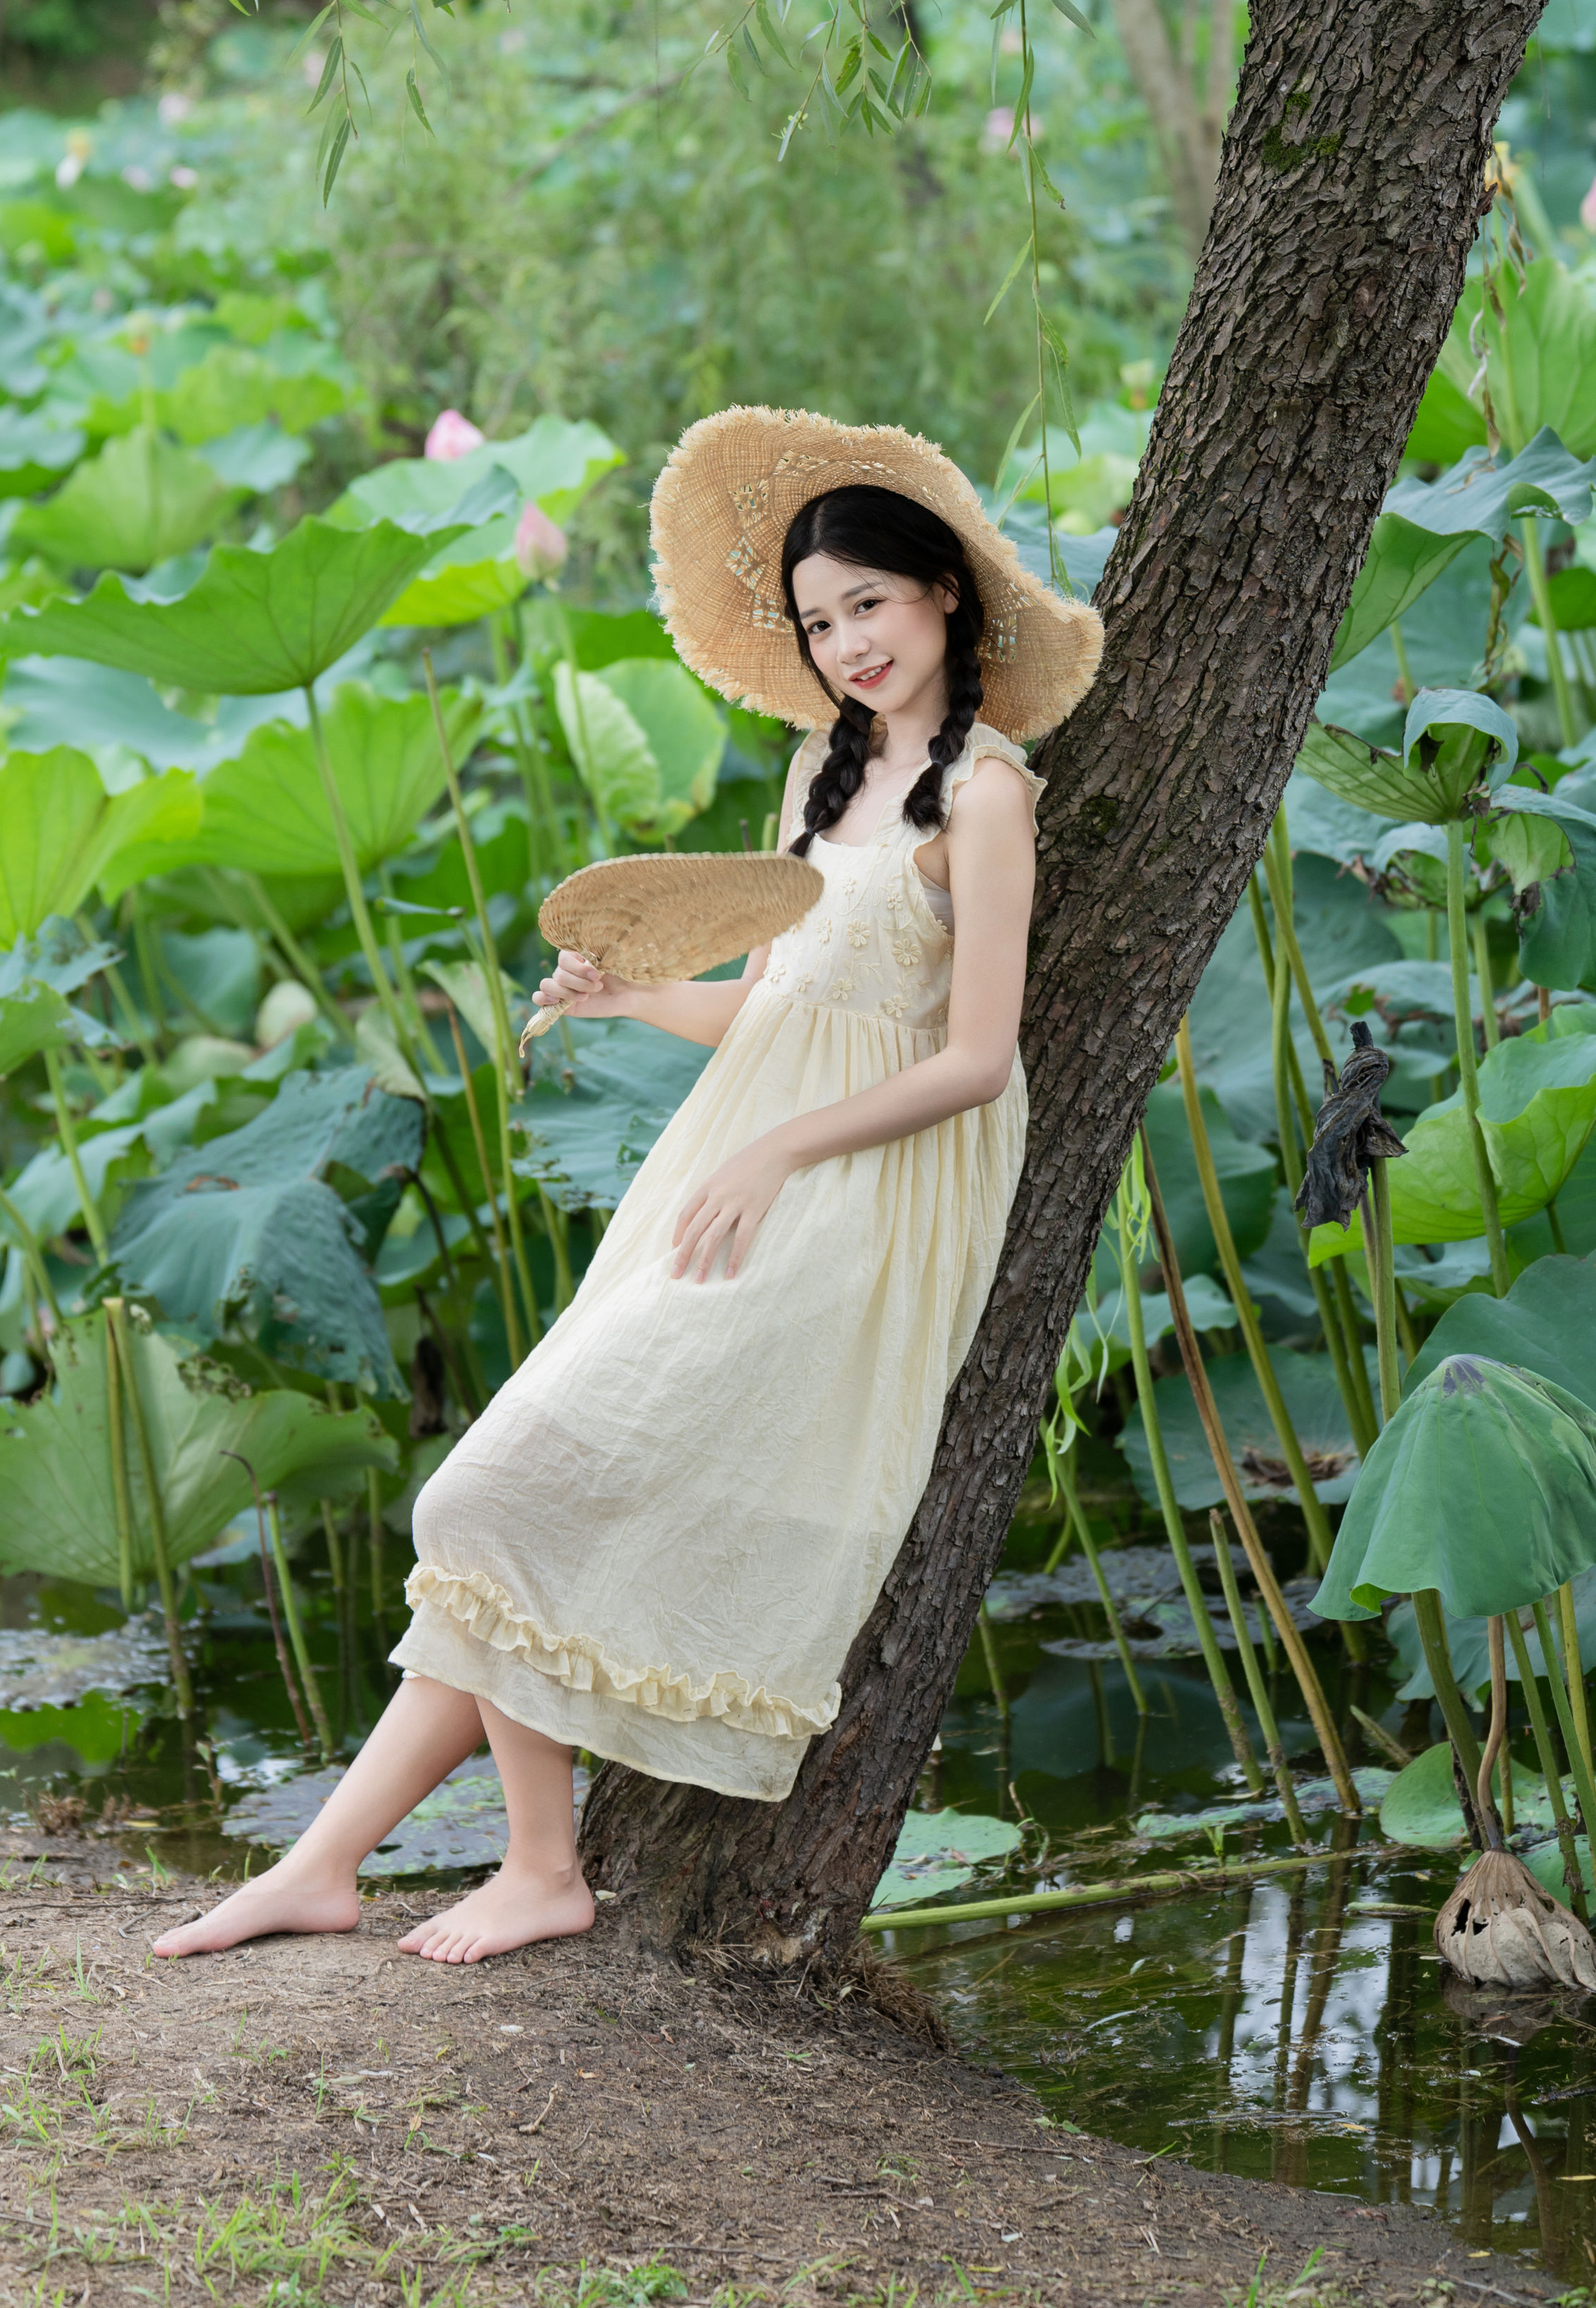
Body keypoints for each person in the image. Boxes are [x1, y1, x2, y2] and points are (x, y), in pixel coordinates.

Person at [153, 404, 1102, 1968]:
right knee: (502, 1509)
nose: (848, 642)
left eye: (870, 601)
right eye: (817, 621)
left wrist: (780, 1149)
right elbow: (782, 1006)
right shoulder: (819, 770)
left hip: (863, 1193)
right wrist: (630, 1002)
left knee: (496, 1493)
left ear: (943, 592)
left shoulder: (986, 798)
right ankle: (332, 1865)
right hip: (738, 1158)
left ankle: (534, 1868)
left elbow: (979, 1060)